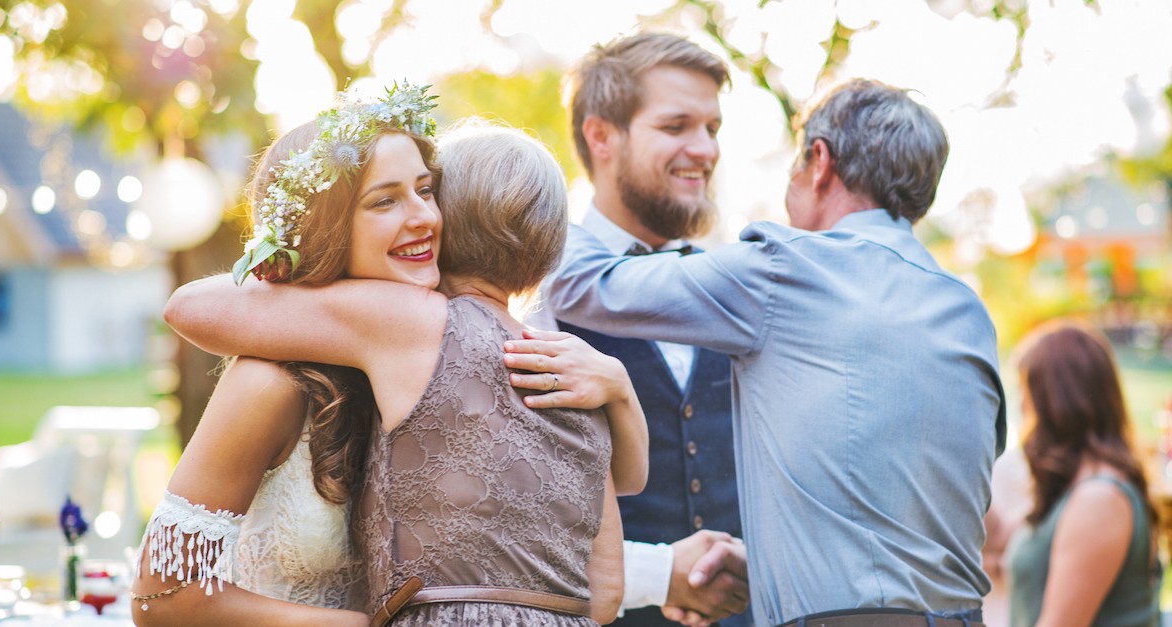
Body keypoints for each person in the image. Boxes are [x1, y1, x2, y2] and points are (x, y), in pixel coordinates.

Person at [136, 88, 646, 626]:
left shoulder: (446, 370)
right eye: (385, 201)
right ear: (324, 225)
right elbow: (163, 601)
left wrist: (617, 383)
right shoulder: (270, 382)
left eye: (427, 192)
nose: (425, 217)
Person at [544, 77, 1007, 626]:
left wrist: (532, 196)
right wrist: (770, 566)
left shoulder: (785, 270)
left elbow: (584, 285)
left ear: (819, 161)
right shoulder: (965, 309)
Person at [530, 31, 749, 627]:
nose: (704, 149)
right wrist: (658, 575)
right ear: (602, 135)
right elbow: (513, 517)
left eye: (713, 128)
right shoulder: (536, 289)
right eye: (677, 126)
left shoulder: (736, 287)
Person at [1006, 319, 1160, 626]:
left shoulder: (1100, 499)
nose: (1021, 405)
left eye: (1027, 390)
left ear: (1055, 401)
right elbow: (997, 538)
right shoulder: (1076, 490)